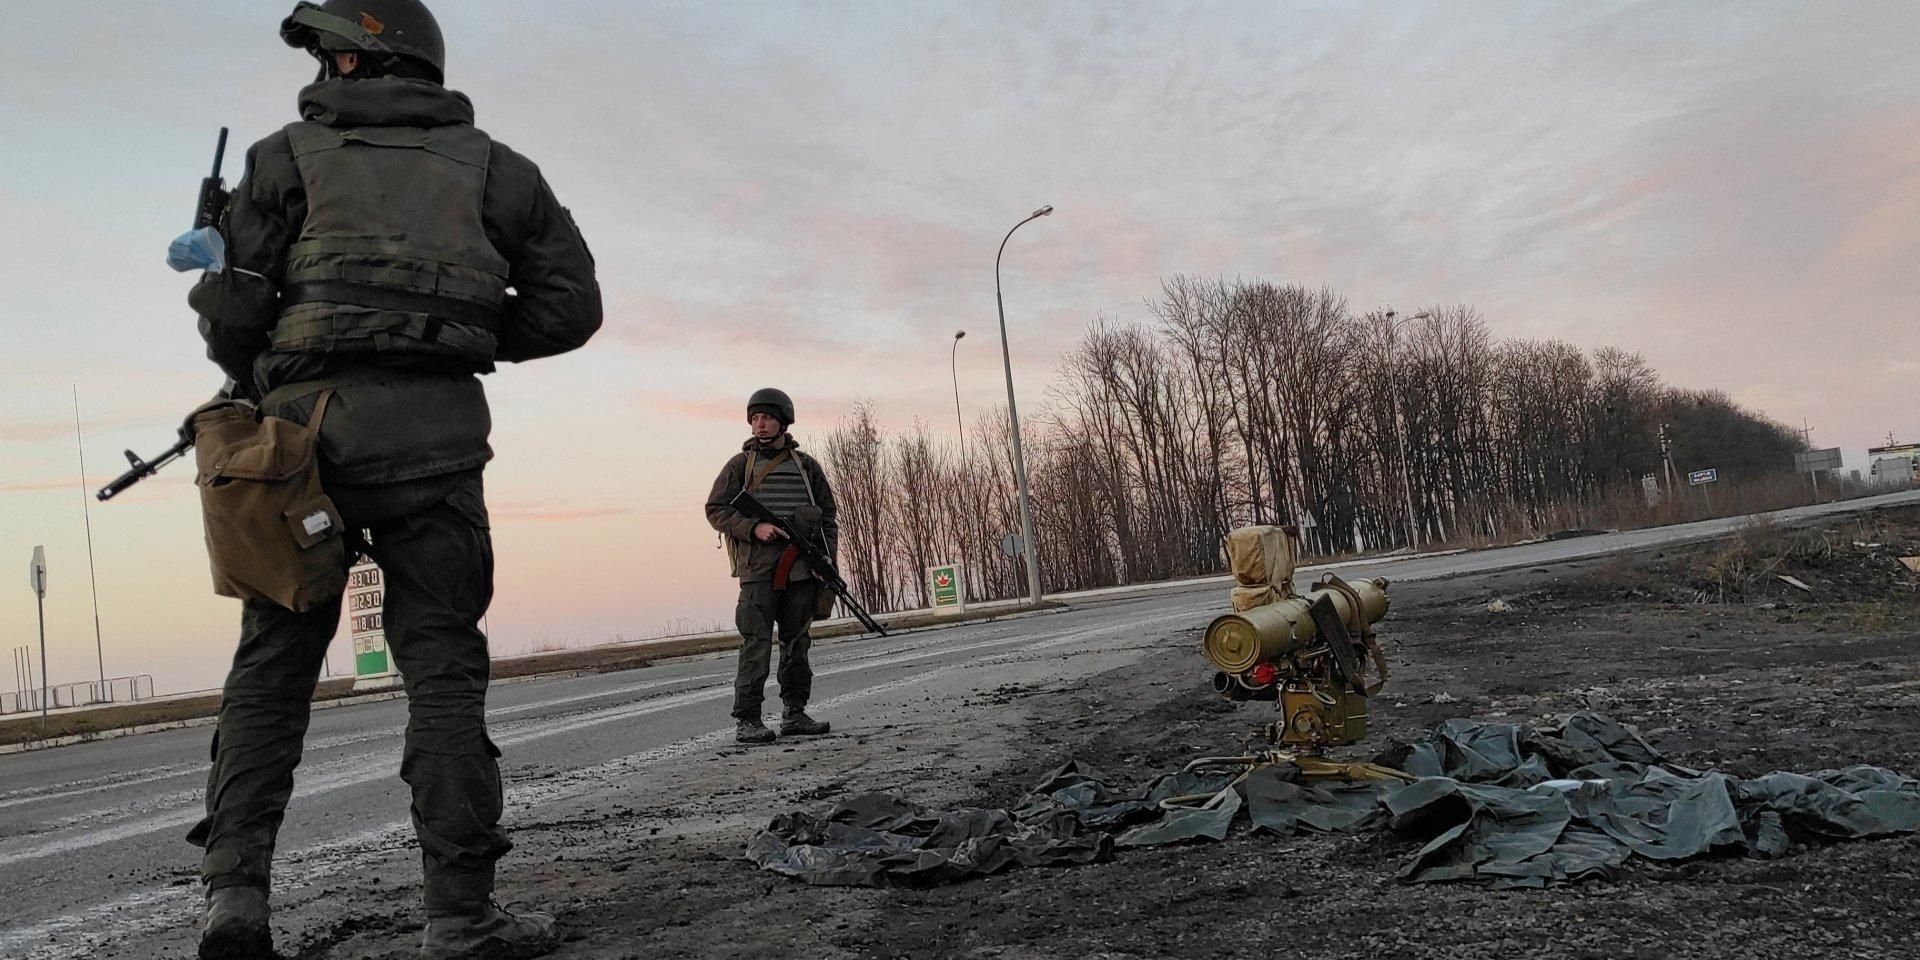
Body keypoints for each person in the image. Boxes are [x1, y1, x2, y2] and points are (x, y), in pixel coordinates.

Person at [185, 2, 601, 957]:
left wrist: (278, 353)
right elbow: (572, 308)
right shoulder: (500, 168)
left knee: (272, 670)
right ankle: (459, 917)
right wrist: (451, 336)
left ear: (355, 58)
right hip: (439, 449)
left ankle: (236, 902)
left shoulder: (280, 158)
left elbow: (232, 315)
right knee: (443, 675)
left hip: (300, 454)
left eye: (330, 54)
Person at [704, 388, 839, 744]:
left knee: (797, 644)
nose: (759, 425)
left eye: (766, 418)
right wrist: (753, 527)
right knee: (755, 644)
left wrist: (826, 561)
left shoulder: (806, 466)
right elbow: (716, 509)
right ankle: (747, 719)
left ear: (782, 421)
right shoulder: (739, 466)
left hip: (800, 572)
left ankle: (795, 713)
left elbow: (828, 518)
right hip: (758, 572)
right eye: (754, 419)